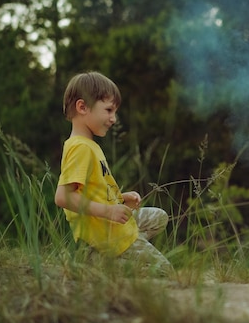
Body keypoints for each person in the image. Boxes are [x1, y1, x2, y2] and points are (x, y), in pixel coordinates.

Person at [54, 71, 172, 275]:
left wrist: (120, 198)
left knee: (158, 217)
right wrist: (109, 211)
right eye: (108, 110)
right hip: (104, 233)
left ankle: (122, 250)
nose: (113, 119)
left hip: (112, 224)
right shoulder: (81, 148)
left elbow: (93, 190)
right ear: (82, 107)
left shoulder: (90, 146)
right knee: (164, 271)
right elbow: (63, 197)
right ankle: (98, 261)